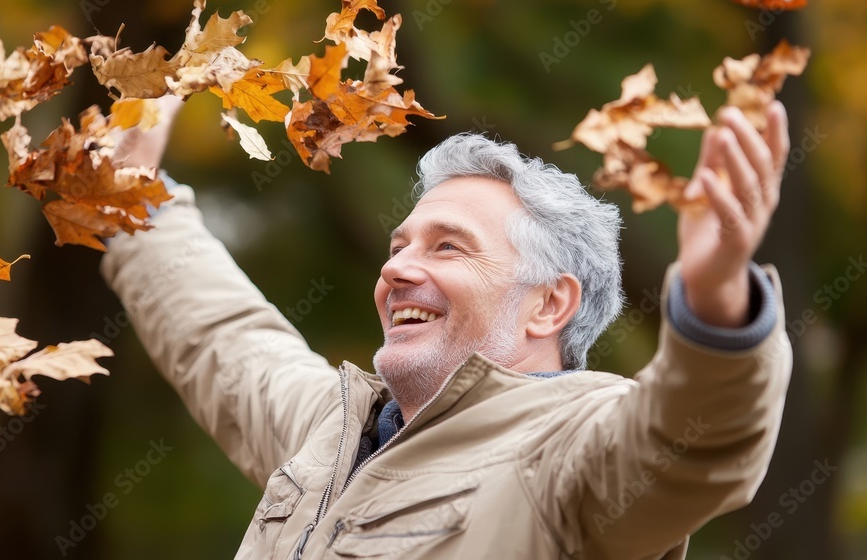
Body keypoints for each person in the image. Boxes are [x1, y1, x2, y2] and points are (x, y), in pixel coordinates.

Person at [101, 96, 792, 559]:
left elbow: (692, 441)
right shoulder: (331, 428)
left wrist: (715, 302)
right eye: (399, 245)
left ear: (548, 305)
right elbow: (224, 339)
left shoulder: (574, 448)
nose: (396, 268)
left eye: (447, 247)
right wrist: (137, 199)